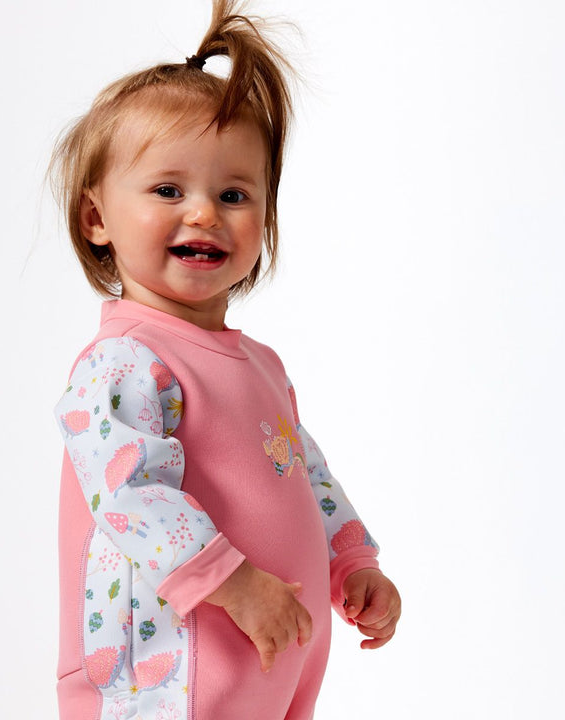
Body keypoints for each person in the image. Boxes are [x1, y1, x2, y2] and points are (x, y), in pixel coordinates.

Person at [51, 1, 401, 718]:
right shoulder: (125, 361)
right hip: (168, 673)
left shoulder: (260, 365)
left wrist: (351, 563)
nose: (206, 213)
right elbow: (127, 492)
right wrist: (232, 583)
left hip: (266, 655)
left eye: (234, 194)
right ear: (97, 220)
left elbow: (303, 473)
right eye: (168, 190)